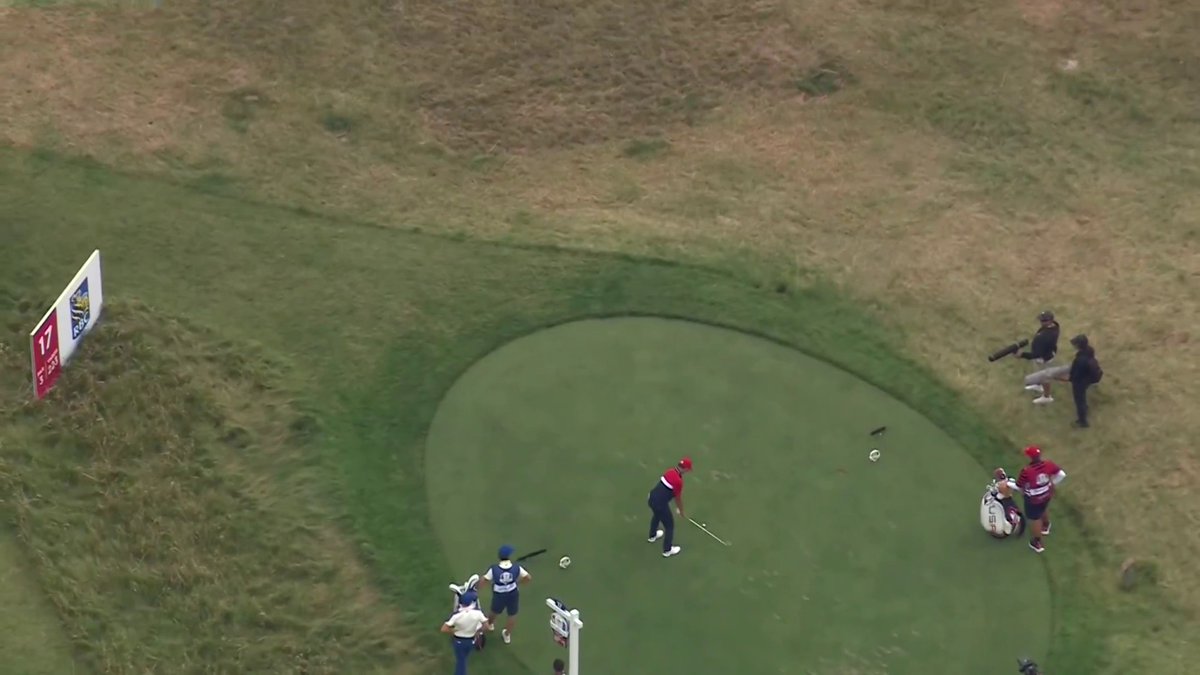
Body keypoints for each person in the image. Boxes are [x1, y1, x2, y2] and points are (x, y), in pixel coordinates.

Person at [1015, 446, 1066, 553]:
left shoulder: (1026, 471)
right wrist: (1052, 483)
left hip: (1033, 499)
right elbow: (1062, 474)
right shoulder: (1048, 464)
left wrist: (1008, 484)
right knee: (1043, 508)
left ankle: (1037, 542)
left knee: (1035, 518)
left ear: (1030, 458)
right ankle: (1046, 526)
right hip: (1047, 494)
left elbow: (1019, 485)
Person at [478, 544, 531, 644]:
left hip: (499, 595)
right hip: (513, 593)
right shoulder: (516, 568)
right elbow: (528, 577)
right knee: (512, 615)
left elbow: (484, 580)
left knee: (494, 611)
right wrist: (518, 584)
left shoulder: (494, 569)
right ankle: (507, 635)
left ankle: (490, 624)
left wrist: (478, 589)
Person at [646, 456, 692, 558]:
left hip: (651, 498)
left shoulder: (670, 471)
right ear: (685, 469)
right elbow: (678, 498)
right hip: (660, 504)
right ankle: (667, 550)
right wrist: (681, 511)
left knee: (657, 515)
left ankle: (652, 536)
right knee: (669, 526)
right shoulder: (679, 482)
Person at [441, 591, 492, 675]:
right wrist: (478, 631)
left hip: (458, 642)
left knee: (461, 663)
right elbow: (487, 626)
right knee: (463, 660)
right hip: (471, 641)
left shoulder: (456, 615)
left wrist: (454, 631)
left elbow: (444, 629)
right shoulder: (478, 613)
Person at [1019, 310, 1061, 405]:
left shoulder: (1047, 336)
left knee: (1045, 377)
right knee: (1039, 373)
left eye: (1044, 321)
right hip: (1047, 354)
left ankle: (1047, 396)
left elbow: (1037, 354)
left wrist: (1022, 355)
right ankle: (1038, 385)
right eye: (1041, 320)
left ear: (1050, 321)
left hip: (1044, 358)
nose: (1041, 323)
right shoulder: (1054, 326)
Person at [1067, 334, 1103, 428]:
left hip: (1081, 381)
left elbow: (1075, 375)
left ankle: (1082, 422)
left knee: (1079, 401)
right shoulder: (1089, 350)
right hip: (1089, 378)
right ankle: (1085, 408)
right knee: (1082, 397)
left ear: (1078, 345)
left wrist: (1069, 379)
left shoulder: (1080, 360)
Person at [980, 468, 1025, 539]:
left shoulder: (1003, 483)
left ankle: (1010, 528)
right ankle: (1007, 530)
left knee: (1011, 515)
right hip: (1003, 501)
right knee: (1009, 515)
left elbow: (1012, 487)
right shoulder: (1002, 483)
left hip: (1006, 500)